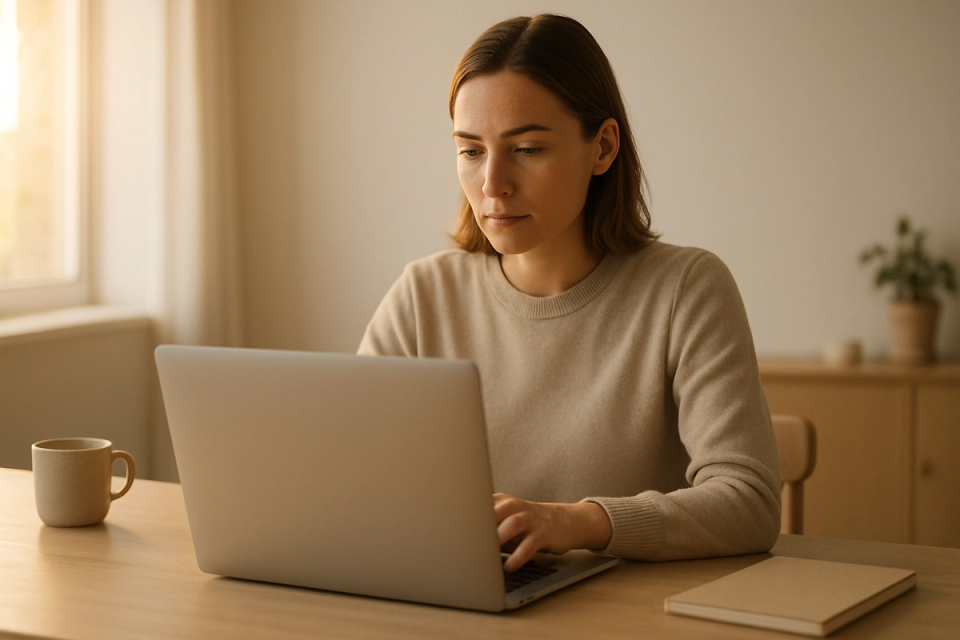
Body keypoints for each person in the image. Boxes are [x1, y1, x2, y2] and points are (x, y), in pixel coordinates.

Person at [358, 14, 781, 573]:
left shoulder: (686, 289)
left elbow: (749, 503)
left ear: (603, 148)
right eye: (471, 151)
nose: (492, 185)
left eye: (527, 149)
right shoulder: (422, 296)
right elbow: (352, 481)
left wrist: (577, 522)